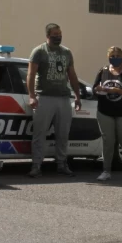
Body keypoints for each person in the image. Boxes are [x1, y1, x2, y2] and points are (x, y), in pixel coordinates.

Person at [26, 23, 82, 178]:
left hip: (63, 98)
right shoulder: (39, 51)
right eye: (55, 34)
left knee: (63, 134)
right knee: (40, 133)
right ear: (48, 35)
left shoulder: (66, 52)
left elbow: (72, 75)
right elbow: (30, 75)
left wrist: (77, 95)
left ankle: (61, 164)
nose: (58, 36)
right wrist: (32, 95)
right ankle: (36, 165)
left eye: (60, 33)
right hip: (44, 97)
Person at [92, 46, 122, 181]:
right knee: (108, 141)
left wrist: (117, 91)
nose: (114, 58)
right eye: (112, 55)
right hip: (105, 112)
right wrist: (99, 89)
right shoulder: (103, 71)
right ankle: (106, 170)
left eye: (117, 55)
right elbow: (94, 88)